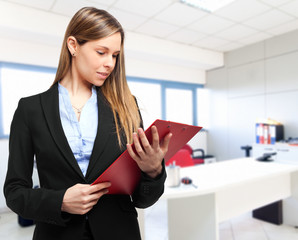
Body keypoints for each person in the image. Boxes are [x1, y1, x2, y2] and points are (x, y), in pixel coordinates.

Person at [4, 7, 172, 240]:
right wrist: (60, 201)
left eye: (114, 55)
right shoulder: (30, 110)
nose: (110, 63)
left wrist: (153, 171)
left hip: (120, 232)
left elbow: (143, 200)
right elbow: (14, 193)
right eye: (101, 52)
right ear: (73, 45)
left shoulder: (126, 106)